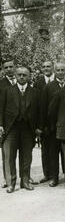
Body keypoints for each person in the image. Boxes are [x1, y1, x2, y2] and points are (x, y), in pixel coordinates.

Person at [0, 67, 41, 193]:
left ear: (29, 76)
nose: (22, 77)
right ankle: (11, 183)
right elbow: (0, 108)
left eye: (24, 75)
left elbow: (39, 112)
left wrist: (38, 127)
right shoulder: (7, 91)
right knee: (9, 157)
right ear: (16, 76)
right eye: (19, 75)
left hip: (28, 129)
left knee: (26, 156)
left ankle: (25, 181)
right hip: (10, 128)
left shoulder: (35, 92)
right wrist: (0, 124)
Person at [40, 63, 65, 187]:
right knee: (53, 153)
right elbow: (43, 108)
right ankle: (54, 177)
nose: (61, 72)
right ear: (54, 71)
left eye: (63, 70)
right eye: (58, 70)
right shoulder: (49, 87)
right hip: (53, 127)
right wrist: (45, 126)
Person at [33, 60, 55, 184]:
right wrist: (39, 125)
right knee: (45, 150)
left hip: (58, 122)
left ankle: (60, 174)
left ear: (52, 67)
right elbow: (37, 106)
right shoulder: (38, 83)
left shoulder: (59, 79)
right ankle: (47, 174)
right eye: (44, 66)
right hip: (44, 123)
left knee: (59, 150)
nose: (46, 68)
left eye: (48, 66)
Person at [0, 60, 17, 188]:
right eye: (6, 67)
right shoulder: (1, 84)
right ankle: (8, 179)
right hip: (6, 125)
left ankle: (25, 177)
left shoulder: (21, 81)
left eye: (11, 67)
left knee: (22, 153)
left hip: (21, 125)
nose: (9, 69)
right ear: (3, 69)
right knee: (7, 154)